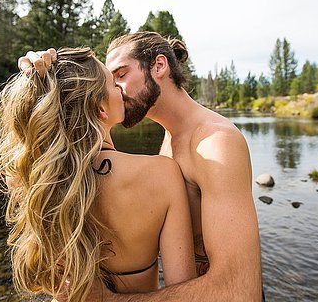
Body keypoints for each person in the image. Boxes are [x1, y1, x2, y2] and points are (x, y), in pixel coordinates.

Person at [19, 32, 263, 301]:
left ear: (159, 66)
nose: (116, 89)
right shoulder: (171, 137)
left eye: (121, 75)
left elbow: (240, 292)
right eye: (111, 82)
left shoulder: (216, 144)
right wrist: (44, 83)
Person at [0, 47, 196, 302]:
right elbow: (185, 290)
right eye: (112, 84)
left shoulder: (37, 179)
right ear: (101, 110)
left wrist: (40, 82)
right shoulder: (162, 174)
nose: (120, 88)